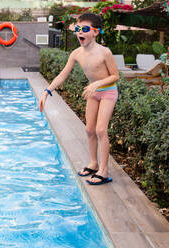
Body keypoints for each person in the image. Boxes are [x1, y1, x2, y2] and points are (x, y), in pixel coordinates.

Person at [39, 12, 119, 185]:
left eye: (84, 29)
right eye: (77, 29)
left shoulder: (105, 52)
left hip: (108, 92)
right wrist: (47, 91)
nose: (79, 32)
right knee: (89, 130)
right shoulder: (76, 53)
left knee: (100, 130)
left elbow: (115, 76)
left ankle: (103, 171)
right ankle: (93, 163)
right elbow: (62, 75)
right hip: (93, 93)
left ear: (95, 32)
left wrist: (96, 84)